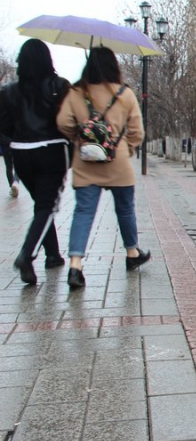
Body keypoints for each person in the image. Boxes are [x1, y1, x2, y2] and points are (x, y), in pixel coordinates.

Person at [56, 47, 150, 289]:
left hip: (86, 163)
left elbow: (63, 122)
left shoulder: (77, 92)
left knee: (83, 212)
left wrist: (80, 138)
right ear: (113, 65)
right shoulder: (124, 94)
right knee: (125, 209)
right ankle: (131, 254)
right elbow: (138, 133)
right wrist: (124, 149)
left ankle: (75, 265)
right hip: (117, 163)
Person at [0, 39, 71, 285]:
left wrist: (14, 141)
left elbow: (4, 127)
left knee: (41, 203)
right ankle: (27, 255)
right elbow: (68, 121)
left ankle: (52, 255)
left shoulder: (8, 92)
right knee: (47, 206)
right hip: (51, 151)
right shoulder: (59, 86)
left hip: (21, 154)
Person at [1, 133, 19, 197]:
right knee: (18, 166)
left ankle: (12, 186)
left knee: (9, 167)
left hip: (5, 145)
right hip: (15, 144)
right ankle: (15, 182)